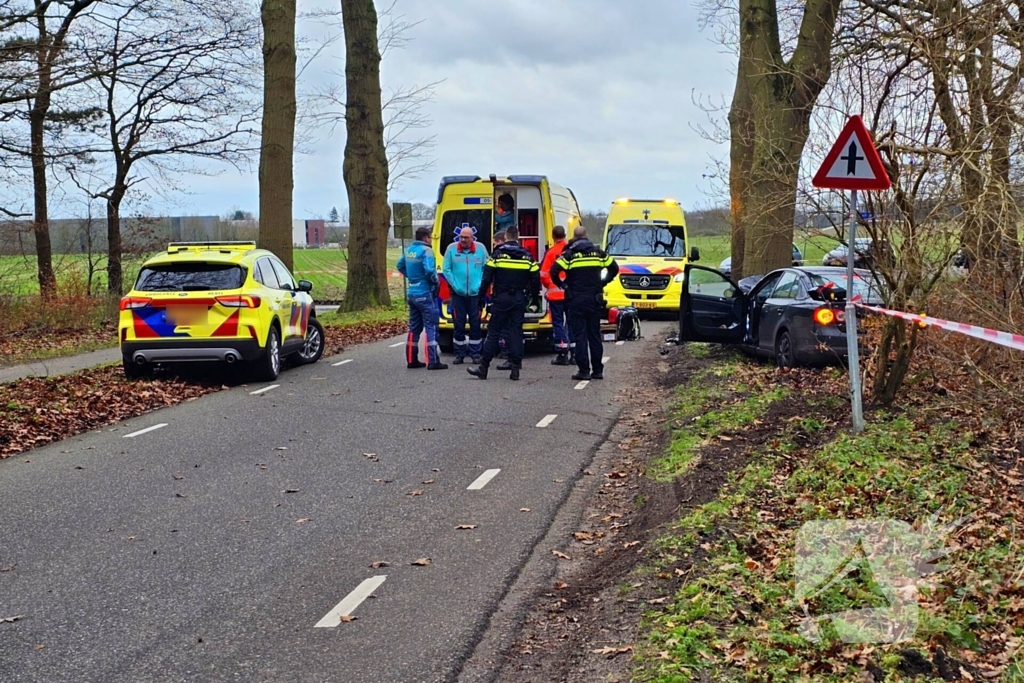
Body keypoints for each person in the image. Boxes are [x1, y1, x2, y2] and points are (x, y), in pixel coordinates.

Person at [467, 226, 540, 381]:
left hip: (501, 298)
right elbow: (535, 280)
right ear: (518, 237)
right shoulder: (527, 256)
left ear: (506, 238)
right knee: (516, 332)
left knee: (494, 332)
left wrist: (480, 298)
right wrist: (533, 299)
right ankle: (515, 369)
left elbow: (486, 278)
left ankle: (483, 367)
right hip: (519, 299)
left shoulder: (497, 255)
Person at [550, 226, 618, 380]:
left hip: (576, 300)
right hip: (594, 299)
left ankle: (584, 371)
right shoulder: (598, 253)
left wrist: (564, 285)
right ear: (586, 236)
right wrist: (602, 282)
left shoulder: (570, 254)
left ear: (574, 237)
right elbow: (614, 268)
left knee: (580, 335)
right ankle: (598, 370)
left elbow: (554, 270)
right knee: (594, 335)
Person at [396, 226, 447, 370]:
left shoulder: (410, 250)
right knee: (431, 326)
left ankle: (412, 360)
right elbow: (430, 270)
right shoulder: (427, 250)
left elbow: (400, 265)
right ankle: (433, 361)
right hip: (424, 293)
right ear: (425, 238)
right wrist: (435, 282)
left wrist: (412, 278)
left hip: (412, 292)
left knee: (414, 328)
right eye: (430, 237)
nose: (431, 240)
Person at [442, 226, 488, 364]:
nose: (463, 240)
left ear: (472, 238)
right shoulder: (451, 249)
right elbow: (446, 269)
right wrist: (455, 286)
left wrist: (480, 285)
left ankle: (475, 354)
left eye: (466, 237)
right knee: (458, 324)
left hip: (475, 295)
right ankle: (459, 354)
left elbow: (487, 268)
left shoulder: (481, 249)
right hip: (458, 295)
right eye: (461, 237)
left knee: (475, 324)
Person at [540, 225, 573, 365]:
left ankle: (562, 352)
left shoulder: (551, 253)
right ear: (565, 235)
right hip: (571, 294)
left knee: (558, 323)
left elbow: (543, 274)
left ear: (553, 237)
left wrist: (550, 285)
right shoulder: (571, 252)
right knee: (571, 323)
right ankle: (575, 353)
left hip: (555, 295)